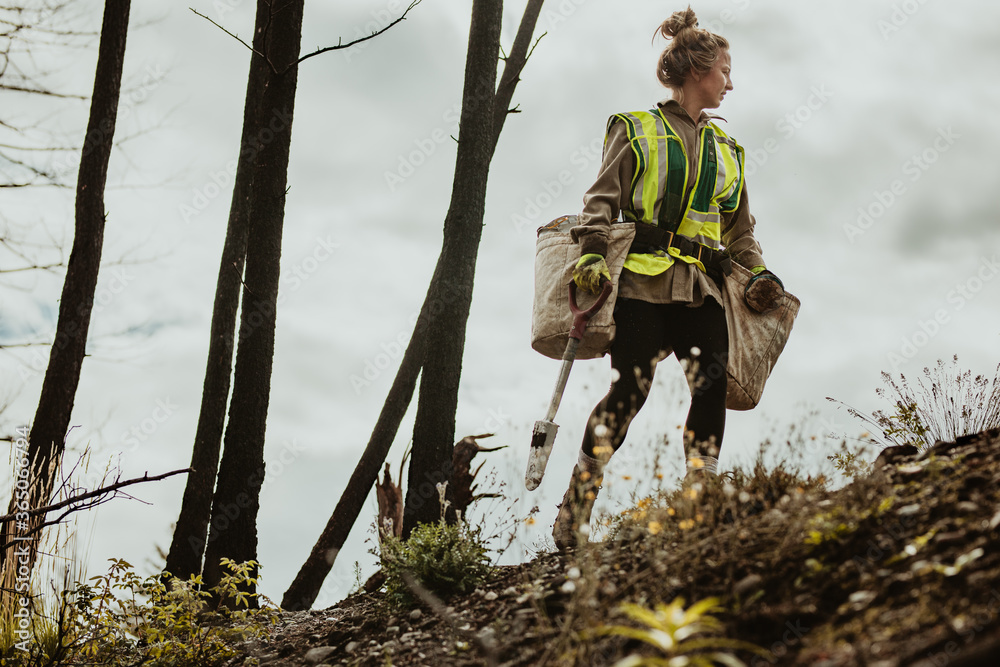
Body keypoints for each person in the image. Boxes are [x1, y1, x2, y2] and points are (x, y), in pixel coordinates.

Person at [552, 6, 785, 549]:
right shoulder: (634, 128)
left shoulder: (731, 150)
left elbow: (741, 233)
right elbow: (600, 202)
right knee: (628, 392)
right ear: (697, 70)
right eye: (725, 70)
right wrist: (590, 251)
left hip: (703, 290)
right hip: (640, 283)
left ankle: (698, 496)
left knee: (710, 385)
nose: (732, 81)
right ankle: (575, 509)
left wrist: (759, 272)